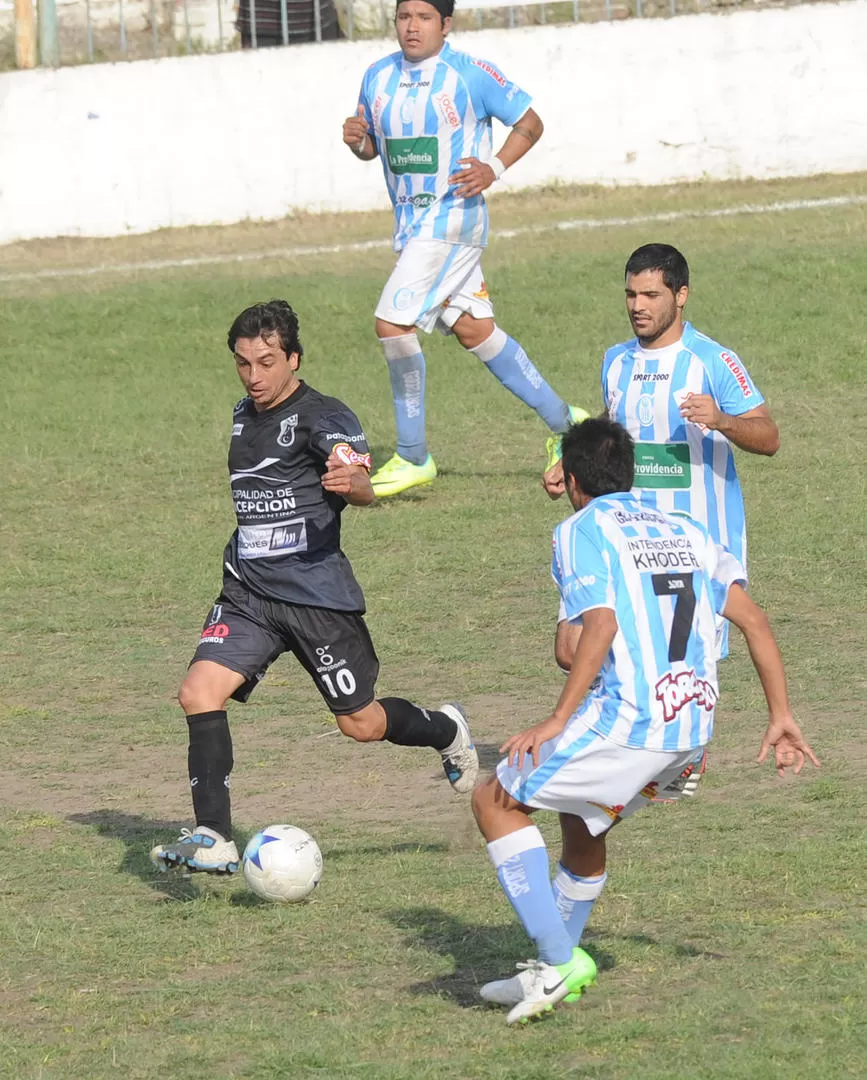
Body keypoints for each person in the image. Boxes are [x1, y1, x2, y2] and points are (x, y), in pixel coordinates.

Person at [472, 418, 818, 1025]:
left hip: (630, 722)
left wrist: (557, 719)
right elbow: (756, 622)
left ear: (574, 481)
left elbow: (597, 629)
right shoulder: (685, 527)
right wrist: (781, 716)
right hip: (691, 727)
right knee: (584, 826)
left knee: (494, 798)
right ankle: (557, 961)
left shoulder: (579, 530)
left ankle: (557, 964)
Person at [150, 300, 478, 875]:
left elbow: (362, 484)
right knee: (198, 692)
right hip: (248, 594)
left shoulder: (324, 416)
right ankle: (214, 835)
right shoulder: (241, 415)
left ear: (293, 359)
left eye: (267, 362)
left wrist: (353, 481)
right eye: (244, 363)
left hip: (316, 599)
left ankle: (444, 728)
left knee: (361, 724)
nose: (254, 376)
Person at [342, 0, 586, 497]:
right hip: (414, 228)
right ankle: (569, 425)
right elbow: (373, 147)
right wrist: (357, 142)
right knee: (476, 331)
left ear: (445, 25)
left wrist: (493, 168)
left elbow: (531, 122)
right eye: (404, 16)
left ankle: (413, 456)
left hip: (452, 223)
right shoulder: (376, 76)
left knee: (392, 323)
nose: (412, 26)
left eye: (424, 17)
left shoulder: (469, 74)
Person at [543, 243, 779, 660]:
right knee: (576, 651)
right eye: (632, 295)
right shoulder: (615, 360)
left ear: (681, 295)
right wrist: (573, 458)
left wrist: (724, 421)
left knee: (680, 660)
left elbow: (768, 436)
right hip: (629, 536)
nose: (638, 306)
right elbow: (616, 417)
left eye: (651, 296)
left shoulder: (713, 361)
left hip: (697, 541)